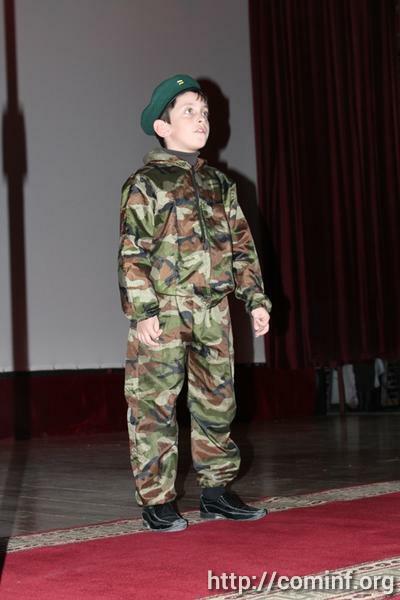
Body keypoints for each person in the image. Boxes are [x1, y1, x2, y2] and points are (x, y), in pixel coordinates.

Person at [118, 74, 272, 532]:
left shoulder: (220, 184)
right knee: (154, 406)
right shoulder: (146, 184)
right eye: (189, 111)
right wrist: (143, 311)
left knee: (218, 404)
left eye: (204, 112)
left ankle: (216, 492)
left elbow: (241, 246)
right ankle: (157, 500)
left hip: (213, 312)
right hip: (164, 311)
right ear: (162, 126)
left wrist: (254, 299)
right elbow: (132, 251)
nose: (201, 119)